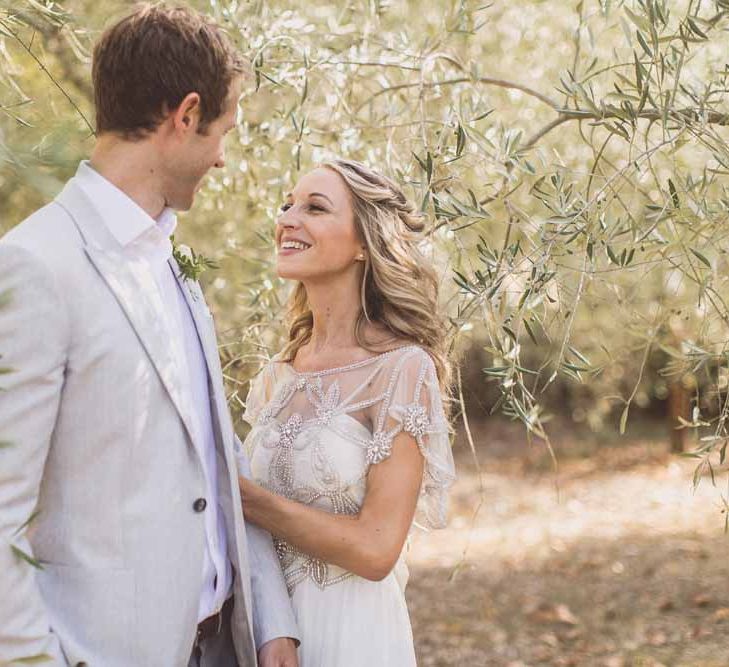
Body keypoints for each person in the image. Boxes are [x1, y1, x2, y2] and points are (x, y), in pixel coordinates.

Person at [0, 5, 299, 666]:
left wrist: (271, 617)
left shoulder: (171, 259)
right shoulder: (33, 266)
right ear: (184, 115)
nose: (222, 158)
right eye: (221, 131)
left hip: (221, 645)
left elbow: (216, 457)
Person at [236, 159, 457, 666]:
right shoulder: (278, 374)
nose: (289, 218)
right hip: (266, 634)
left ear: (364, 243)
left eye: (315, 208)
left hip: (353, 634)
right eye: (287, 205)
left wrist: (242, 498)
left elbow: (377, 550)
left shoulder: (401, 369)